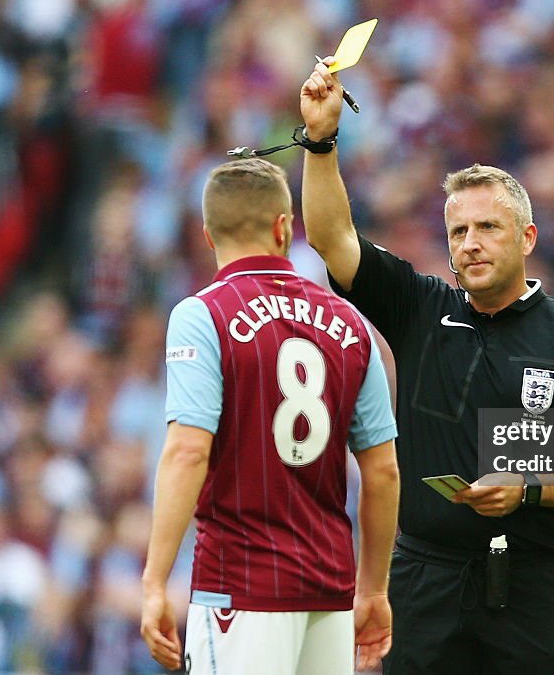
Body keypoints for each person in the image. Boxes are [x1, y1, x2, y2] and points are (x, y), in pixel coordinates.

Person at [299, 60, 554, 674]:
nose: (471, 243)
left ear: (528, 237)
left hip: (535, 589)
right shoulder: (420, 308)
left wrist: (529, 490)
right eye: (458, 232)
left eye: (488, 227)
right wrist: (321, 142)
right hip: (425, 581)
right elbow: (333, 238)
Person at [140, 158, 400, 675]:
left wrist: (153, 582)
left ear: (208, 235)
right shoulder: (350, 322)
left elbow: (189, 449)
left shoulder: (202, 315)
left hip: (239, 585)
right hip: (329, 590)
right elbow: (384, 470)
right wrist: (372, 590)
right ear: (284, 227)